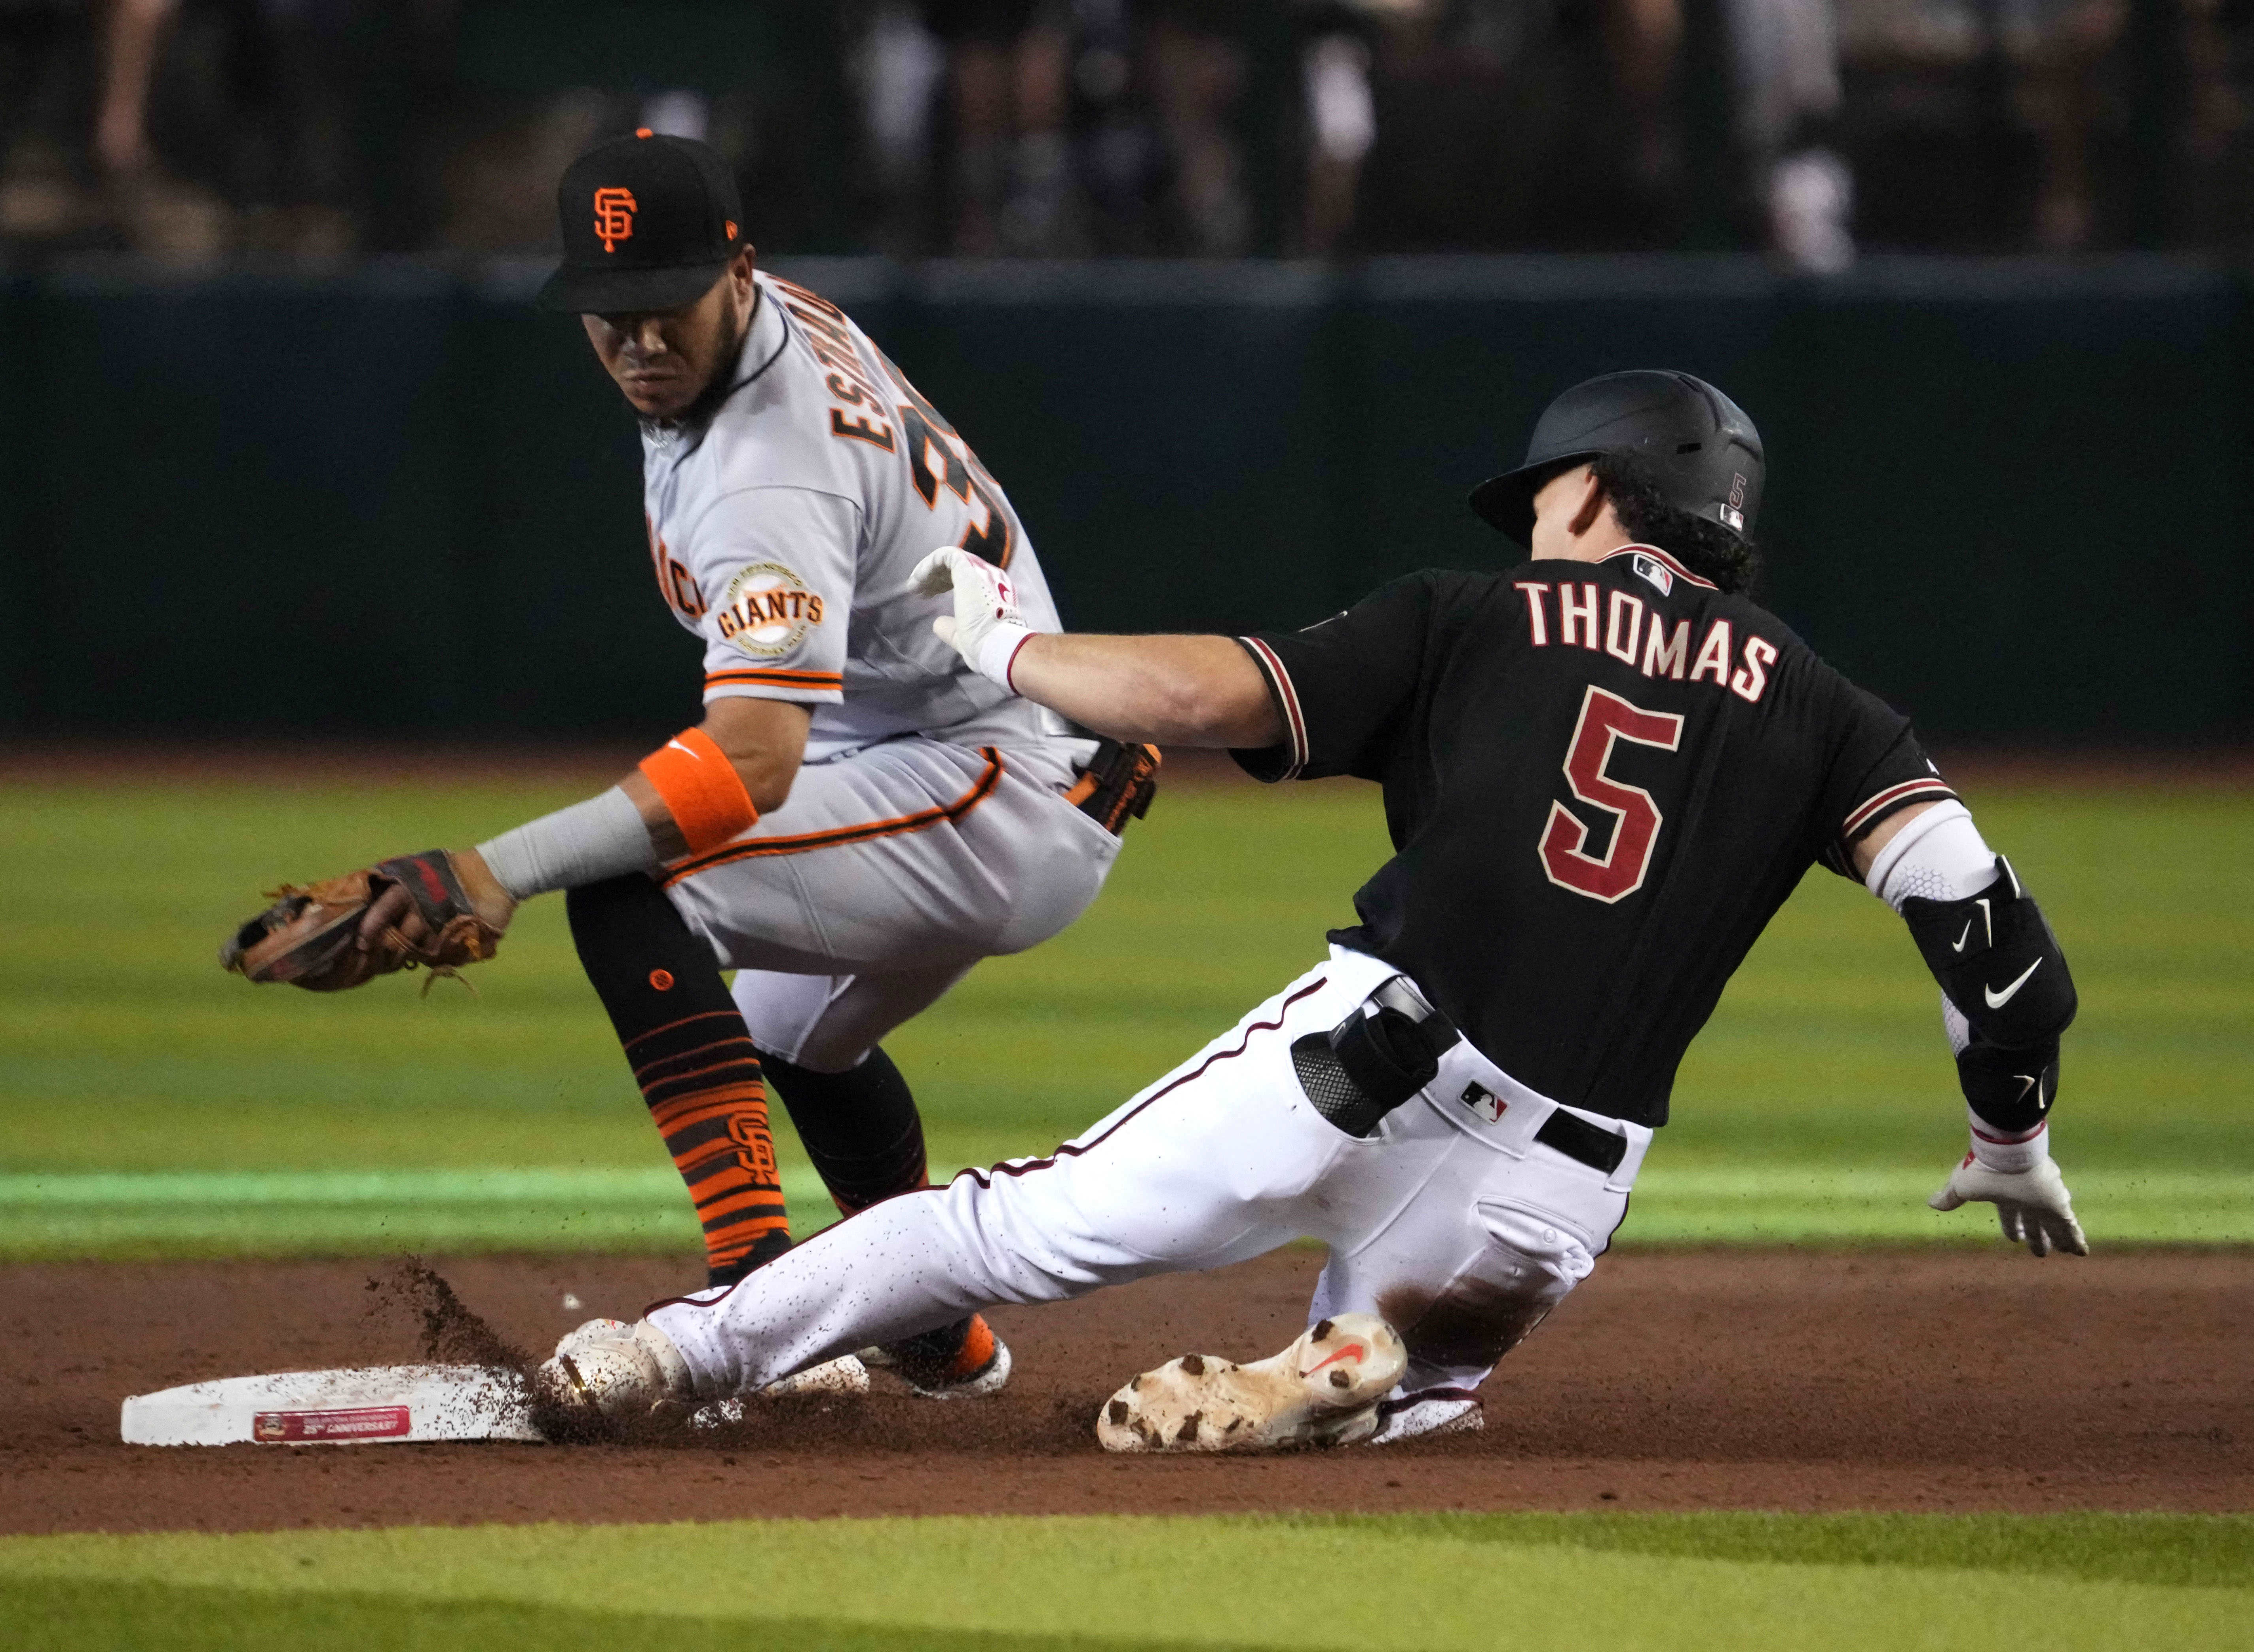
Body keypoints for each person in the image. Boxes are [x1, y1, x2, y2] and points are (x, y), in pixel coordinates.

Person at [541, 369, 2086, 1450]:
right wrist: (2008, 1130)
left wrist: (999, 646)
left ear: (1604, 489)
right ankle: (1370, 1359)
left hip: (1366, 1060)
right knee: (1417, 1400)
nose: (1528, 523)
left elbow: (1196, 693)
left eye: (1543, 496)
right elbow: (1992, 940)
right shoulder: (1833, 713)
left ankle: (673, 1350)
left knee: (1005, 1226)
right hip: (1552, 1198)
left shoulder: (1476, 613)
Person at [345, 131, 1157, 1396]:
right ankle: (935, 1327)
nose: (639, 344)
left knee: (636, 887)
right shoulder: (763, 334)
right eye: (608, 314)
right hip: (961, 743)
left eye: (665, 306)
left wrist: (490, 869)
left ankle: (750, 1289)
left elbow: (755, 764)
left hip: (995, 775)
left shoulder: (768, 469)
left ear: (739, 269)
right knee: (792, 1037)